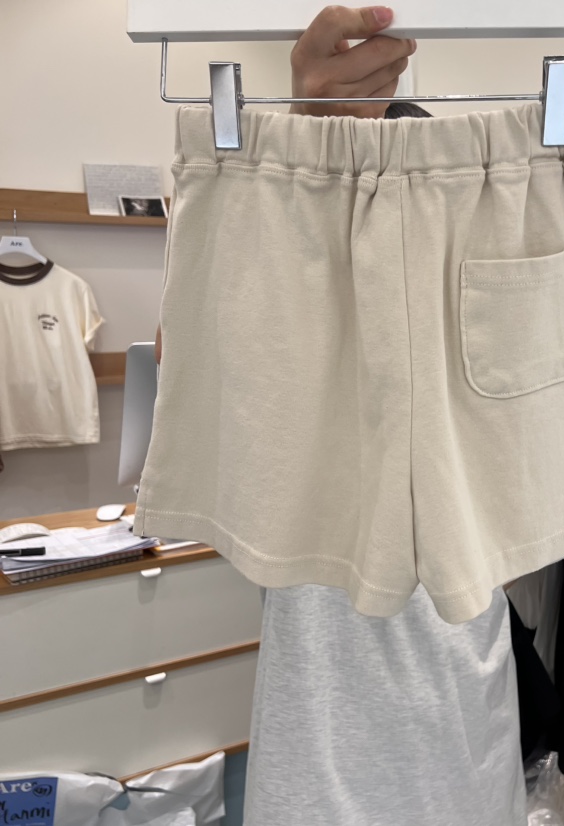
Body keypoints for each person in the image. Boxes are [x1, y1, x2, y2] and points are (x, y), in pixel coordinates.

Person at [155, 7, 527, 825]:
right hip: (325, 696)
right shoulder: (287, 310)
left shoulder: (478, 297)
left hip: (463, 670)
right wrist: (308, 151)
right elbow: (202, 359)